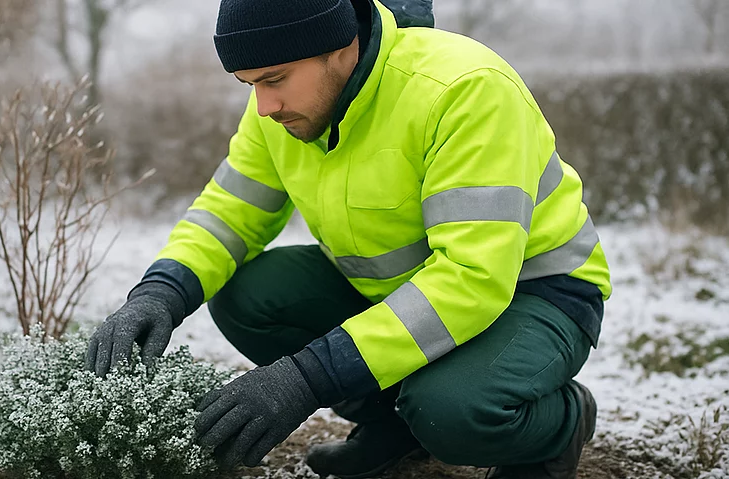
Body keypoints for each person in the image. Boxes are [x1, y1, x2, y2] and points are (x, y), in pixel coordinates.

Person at [86, 0, 612, 477]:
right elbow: (230, 212)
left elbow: (472, 278)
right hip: (399, 293)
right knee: (249, 296)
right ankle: (395, 427)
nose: (264, 105)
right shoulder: (280, 109)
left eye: (275, 79)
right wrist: (160, 291)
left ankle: (558, 426)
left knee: (452, 411)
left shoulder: (463, 89)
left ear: (340, 48)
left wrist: (308, 378)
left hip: (532, 294)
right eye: (250, 85)